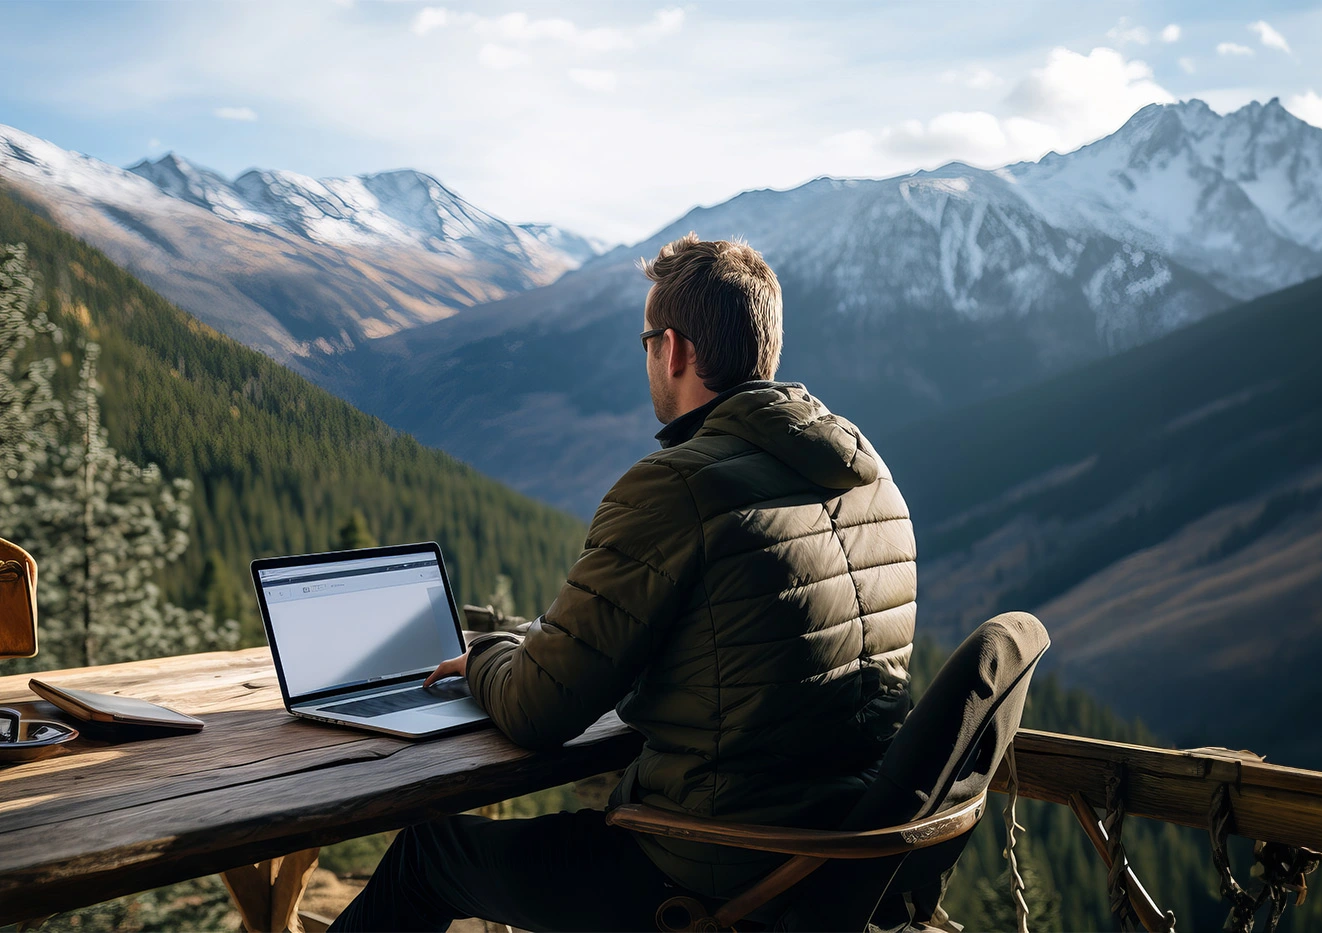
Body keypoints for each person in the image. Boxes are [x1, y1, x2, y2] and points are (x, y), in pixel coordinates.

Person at [329, 233, 917, 932]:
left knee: (428, 855)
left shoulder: (677, 485)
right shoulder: (869, 477)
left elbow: (538, 711)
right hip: (835, 865)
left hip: (708, 871)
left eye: (645, 342)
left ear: (673, 348)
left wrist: (485, 656)